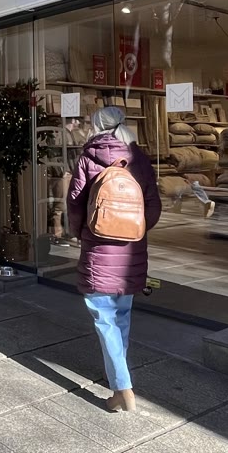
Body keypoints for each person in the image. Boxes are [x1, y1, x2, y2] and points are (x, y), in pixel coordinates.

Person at [67, 107, 161, 413]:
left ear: (96, 126)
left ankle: (122, 388)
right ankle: (119, 381)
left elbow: (75, 203)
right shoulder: (139, 159)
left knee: (104, 319)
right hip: (131, 252)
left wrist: (81, 233)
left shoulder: (89, 157)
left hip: (98, 250)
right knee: (121, 319)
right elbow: (153, 207)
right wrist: (134, 229)